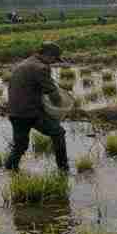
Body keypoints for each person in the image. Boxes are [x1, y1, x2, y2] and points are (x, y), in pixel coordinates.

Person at [4, 42, 69, 172]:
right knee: (58, 132)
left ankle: (10, 168)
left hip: (15, 112)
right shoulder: (41, 68)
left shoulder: (24, 63)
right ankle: (63, 169)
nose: (53, 63)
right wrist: (61, 108)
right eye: (54, 59)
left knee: (20, 145)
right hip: (31, 112)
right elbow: (52, 92)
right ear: (48, 55)